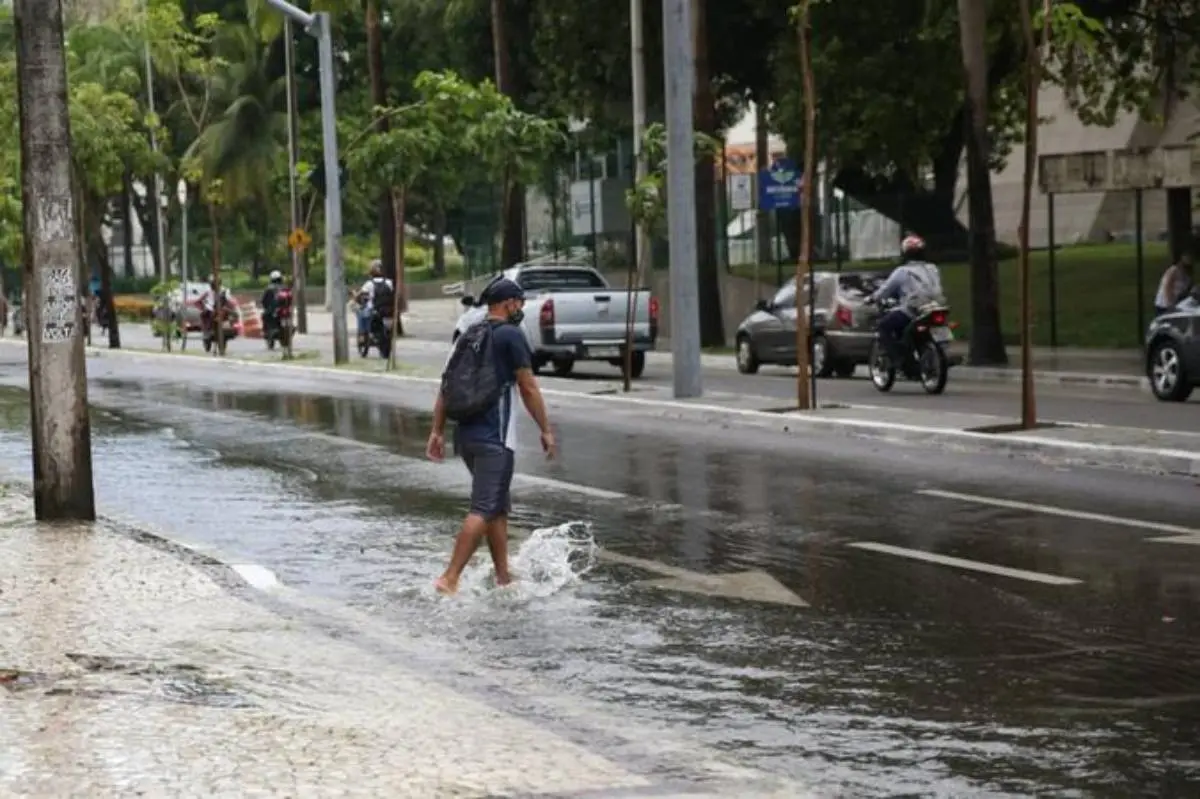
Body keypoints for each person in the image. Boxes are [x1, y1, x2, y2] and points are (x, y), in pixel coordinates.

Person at [425, 278, 556, 596]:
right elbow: (527, 387)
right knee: (484, 507)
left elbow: (447, 386)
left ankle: (502, 576)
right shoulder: (511, 336)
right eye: (519, 303)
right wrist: (546, 430)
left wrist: (437, 430)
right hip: (495, 439)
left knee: (497, 506)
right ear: (508, 302)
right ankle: (450, 577)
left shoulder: (469, 335)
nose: (521, 309)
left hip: (466, 437)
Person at [867, 234, 945, 366]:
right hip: (935, 307)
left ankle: (899, 359)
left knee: (883, 326)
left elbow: (885, 290)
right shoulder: (933, 268)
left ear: (905, 254)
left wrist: (871, 298)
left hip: (913, 310)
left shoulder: (902, 271)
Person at [356, 260, 394, 339]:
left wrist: (355, 296)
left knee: (360, 312)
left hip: (373, 309)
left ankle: (362, 335)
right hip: (387, 309)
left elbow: (360, 295)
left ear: (371, 272)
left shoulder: (369, 284)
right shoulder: (389, 282)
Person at [1154, 252, 1194, 316]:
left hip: (1178, 304)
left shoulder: (1188, 274)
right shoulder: (1174, 270)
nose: (1189, 259)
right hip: (1165, 305)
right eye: (1187, 257)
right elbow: (1167, 287)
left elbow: (1188, 290)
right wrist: (1170, 304)